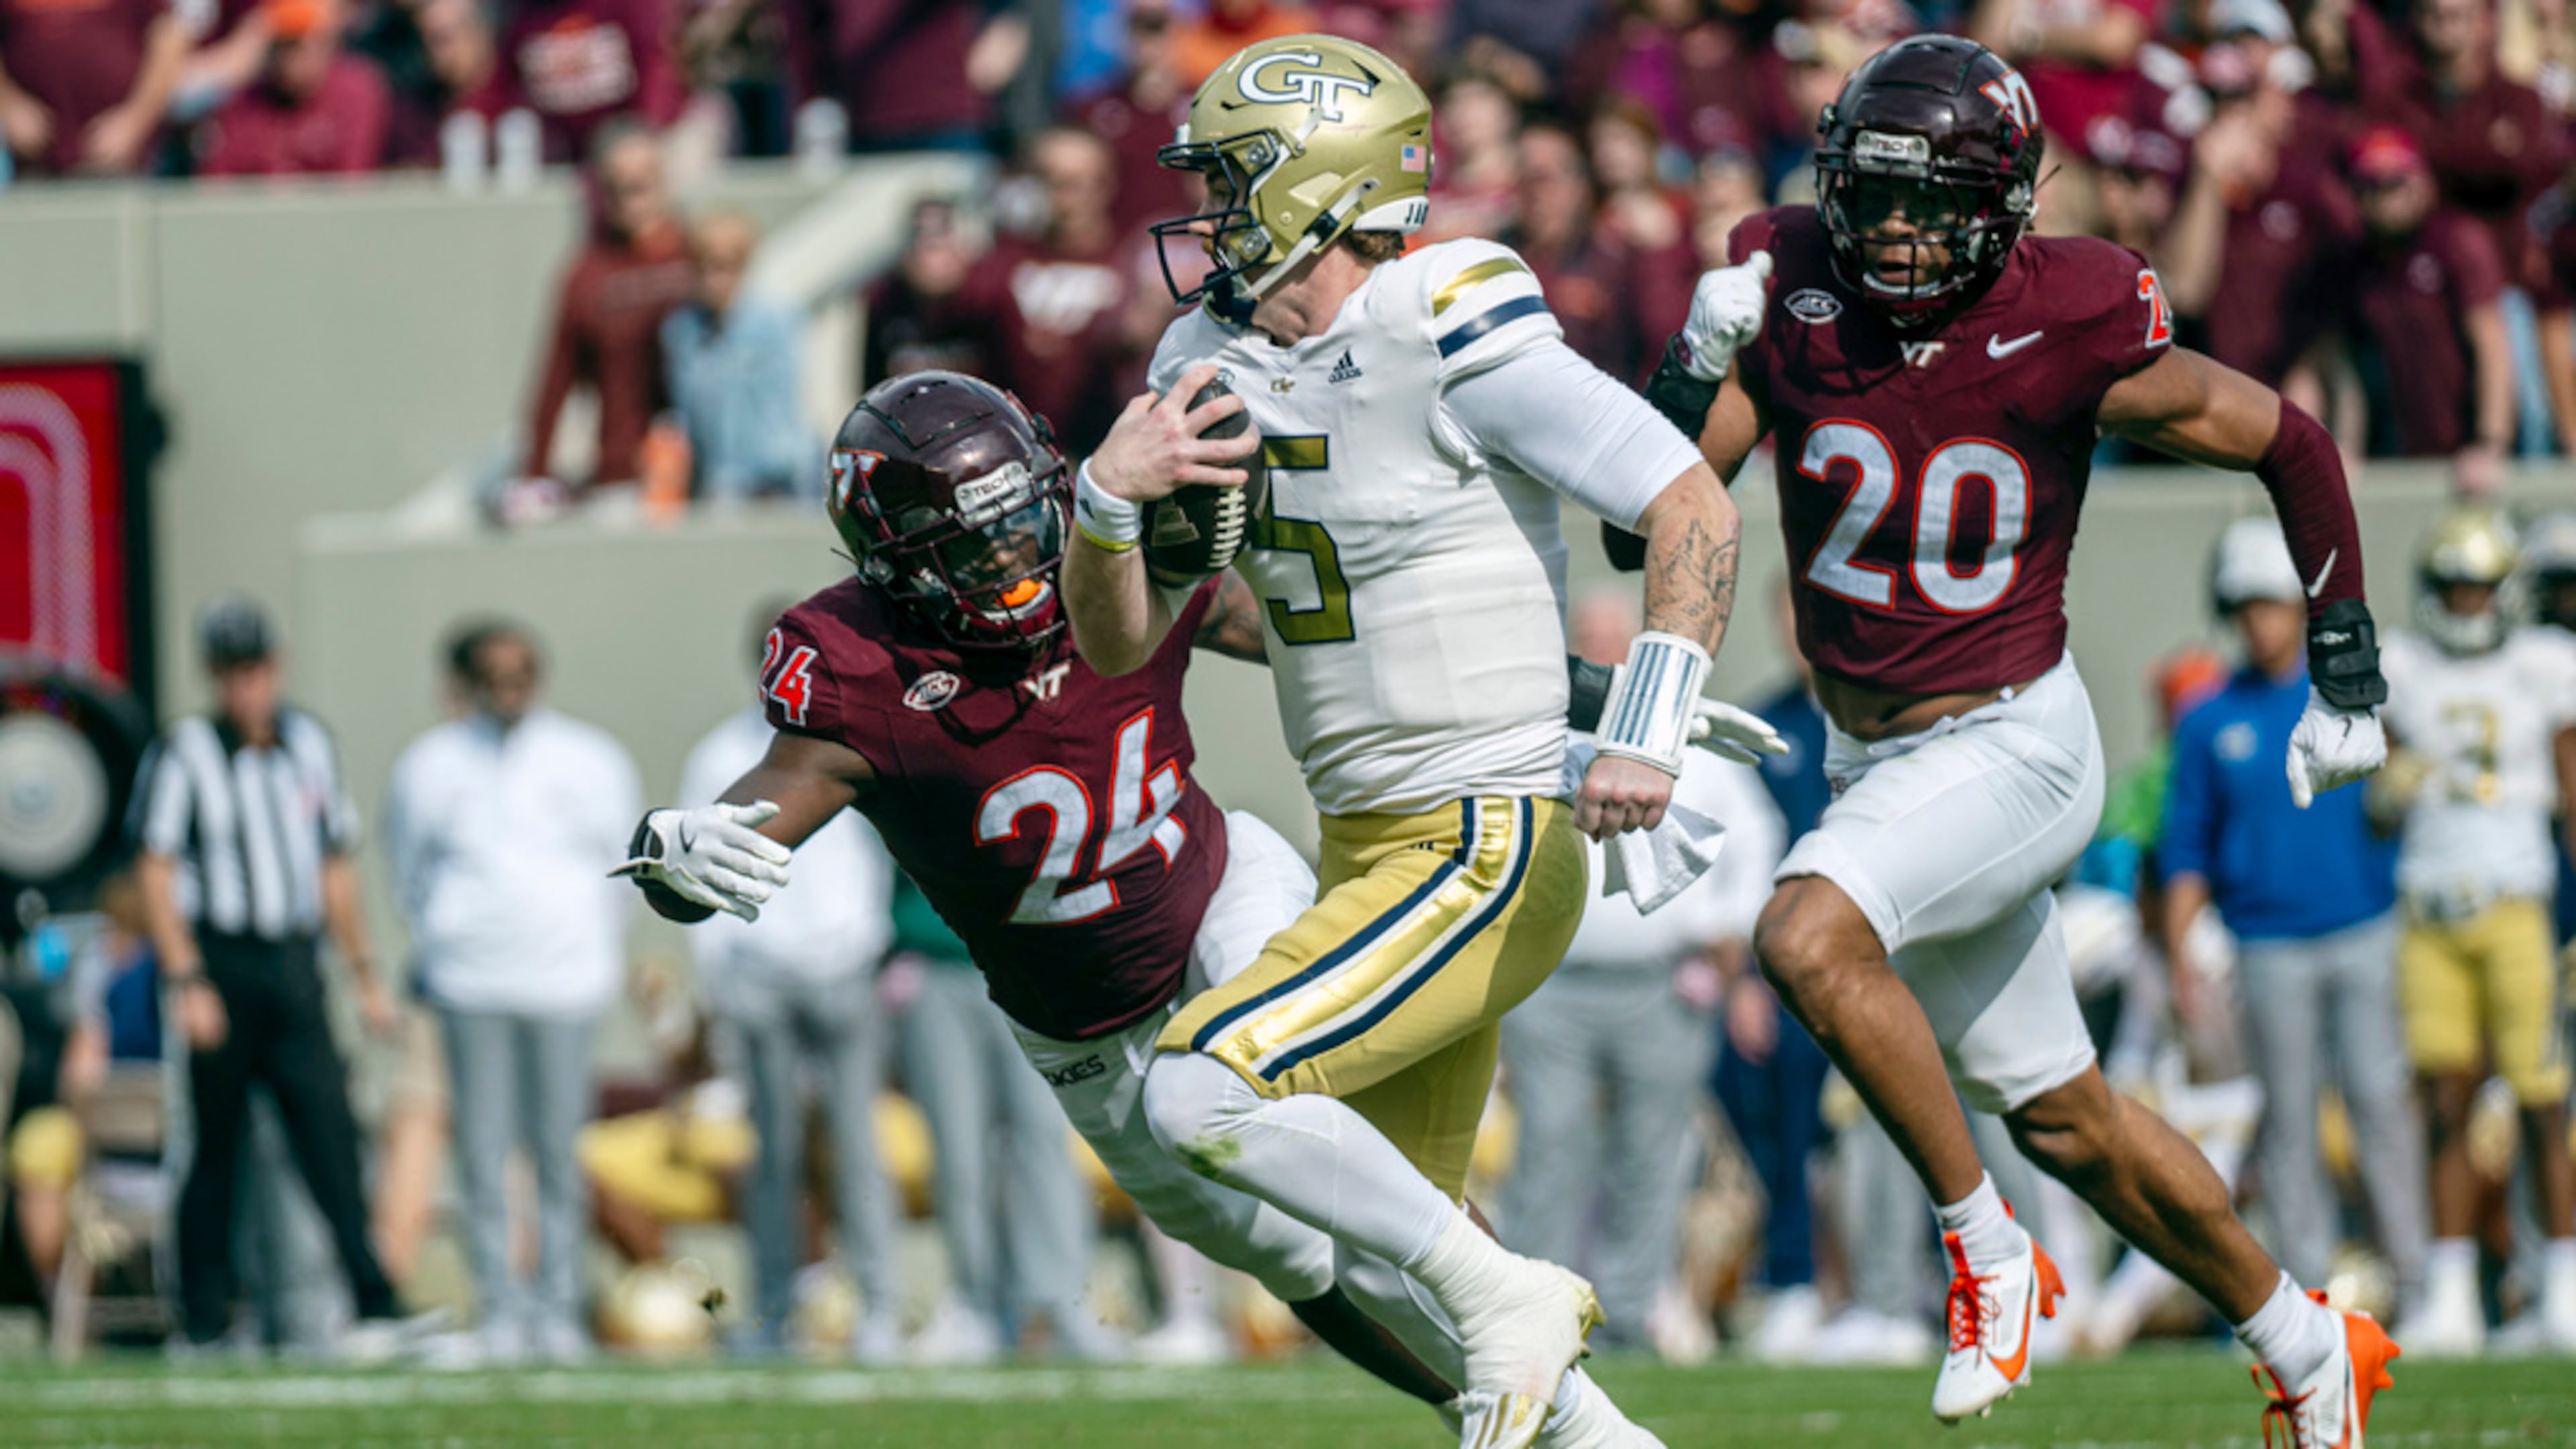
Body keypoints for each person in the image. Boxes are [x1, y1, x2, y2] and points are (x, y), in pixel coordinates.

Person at [616, 370, 1670, 1448]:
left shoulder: (1113, 550)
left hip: (1220, 891)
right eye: (976, 548)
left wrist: (1584, 712)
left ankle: (1539, 1351)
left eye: (1028, 522)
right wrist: (674, 851)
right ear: (899, 567)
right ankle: (1573, 1410)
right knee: (1305, 1257)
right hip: (1082, 1026)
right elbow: (744, 829)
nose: (1021, 561)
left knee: (1320, 1136)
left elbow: (1342, 648)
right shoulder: (860, 666)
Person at [1640, 34, 2399, 1446]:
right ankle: (2308, 1345)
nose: (1898, 233)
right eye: (1874, 197)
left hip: (2013, 745)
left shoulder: (2077, 308)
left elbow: (2288, 439)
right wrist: (1694, 356)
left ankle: (1988, 1254)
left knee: (1806, 935)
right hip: (1882, 764)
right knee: (2070, 1120)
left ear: (2008, 202)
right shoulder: (1791, 276)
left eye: (1932, 204)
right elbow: (1667, 498)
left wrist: (2345, 662)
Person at [1066, 35, 1776, 1449]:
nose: (1206, 209)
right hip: (1368, 840)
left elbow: (1689, 502)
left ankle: (1515, 1294)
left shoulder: (1440, 308)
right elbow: (1127, 639)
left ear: (1323, 182)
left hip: (1484, 840)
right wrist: (1100, 504)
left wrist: (1636, 726)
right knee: (1396, 1243)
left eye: (1230, 175)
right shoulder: (1200, 356)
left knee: (1205, 1092)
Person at [1499, 588, 1785, 1355]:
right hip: (1549, 981)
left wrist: (1726, 930)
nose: (1601, 659)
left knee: (1653, 1153)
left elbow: (1754, 837)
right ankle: (1533, 1308)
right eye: (1588, 645)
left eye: (1613, 645)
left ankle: (1627, 1314)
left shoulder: (1685, 735)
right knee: (1549, 1145)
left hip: (1662, 983)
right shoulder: (1531, 730)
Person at [2159, 519, 2426, 1330]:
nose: (2259, 622)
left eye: (2272, 604)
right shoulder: (2207, 719)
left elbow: (2408, 781)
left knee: (2383, 1103)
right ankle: (2304, 1296)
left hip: (2364, 926)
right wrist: (2179, 956)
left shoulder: (2348, 690)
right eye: (2245, 606)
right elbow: (2185, 850)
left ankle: (2421, 1289)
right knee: (2289, 1121)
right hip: (2266, 942)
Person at [133, 595, 417, 1356]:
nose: (244, 688)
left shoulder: (311, 745)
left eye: (254, 669)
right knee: (214, 1147)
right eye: (230, 672)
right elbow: (155, 872)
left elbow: (335, 868)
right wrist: (187, 979)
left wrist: (363, 975)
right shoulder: (185, 751)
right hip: (219, 961)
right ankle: (203, 1317)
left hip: (293, 965)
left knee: (328, 1133)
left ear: (276, 665)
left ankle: (374, 1299)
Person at [384, 620, 639, 1364]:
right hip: (471, 983)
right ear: (467, 682)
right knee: (486, 1152)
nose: (509, 687)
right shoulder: (430, 765)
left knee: (559, 1152)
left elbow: (624, 868)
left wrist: (590, 954)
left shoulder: (589, 758)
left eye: (521, 671)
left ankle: (557, 1307)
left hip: (564, 983)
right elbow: (409, 871)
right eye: (494, 674)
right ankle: (501, 1305)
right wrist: (451, 938)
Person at [676, 607, 903, 1360]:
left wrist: (866, 943)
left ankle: (879, 1306)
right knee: (770, 1150)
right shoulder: (721, 755)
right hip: (758, 973)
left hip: (841, 965)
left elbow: (879, 851)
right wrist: (717, 980)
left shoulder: (850, 734)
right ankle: (776, 1307)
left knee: (856, 1145)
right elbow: (696, 870)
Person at [2376, 508, 2576, 1356]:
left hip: (2517, 903)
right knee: (2446, 1099)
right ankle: (2452, 1295)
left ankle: (2564, 1287)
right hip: (2429, 906)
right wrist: (2385, 786)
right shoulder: (2406, 667)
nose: (2465, 603)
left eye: (2478, 587)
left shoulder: (2545, 666)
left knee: (2541, 1097)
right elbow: (2376, 809)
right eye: (2453, 587)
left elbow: (2572, 798)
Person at [883, 870, 1107, 1364]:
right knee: (959, 1151)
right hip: (938, 966)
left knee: (1045, 1138)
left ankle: (1061, 1300)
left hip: (1031, 959)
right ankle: (976, 1303)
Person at [518, 123, 694, 496]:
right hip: (620, 477)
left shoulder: (700, 257)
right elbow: (554, 385)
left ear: (664, 181)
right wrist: (532, 476)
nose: (630, 200)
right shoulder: (587, 275)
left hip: (704, 475)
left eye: (640, 184)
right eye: (616, 188)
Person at [2341, 126, 2514, 496]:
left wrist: (2490, 444)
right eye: (2375, 185)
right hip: (2399, 453)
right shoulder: (2357, 264)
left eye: (2398, 182)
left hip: (2467, 459)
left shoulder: (2456, 239)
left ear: (2423, 181)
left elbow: (2492, 346)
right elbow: (2345, 366)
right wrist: (2345, 445)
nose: (2389, 198)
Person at [661, 213, 813, 505]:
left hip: (776, 483)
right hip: (716, 486)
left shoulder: (777, 322)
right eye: (703, 266)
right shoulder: (680, 330)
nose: (713, 279)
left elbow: (785, 407)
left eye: (724, 266)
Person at [199, 0, 392, 176]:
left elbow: (353, 187)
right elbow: (218, 187)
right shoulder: (242, 104)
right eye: (285, 43)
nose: (294, 55)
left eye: (302, 42)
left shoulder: (356, 92)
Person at [0, 0, 185, 176]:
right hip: (33, 156)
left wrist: (134, 121)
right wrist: (8, 104)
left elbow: (168, 42)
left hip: (118, 158)